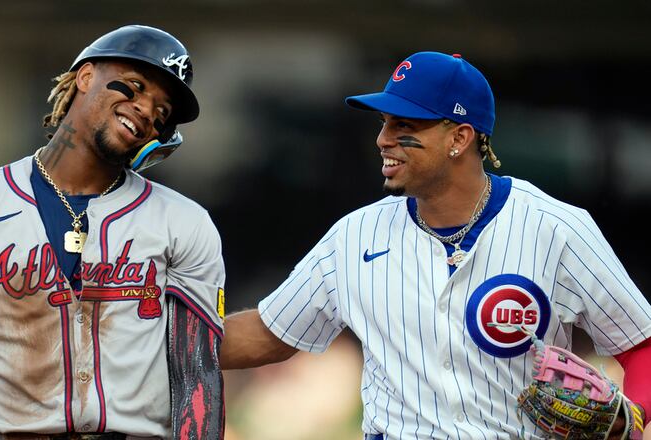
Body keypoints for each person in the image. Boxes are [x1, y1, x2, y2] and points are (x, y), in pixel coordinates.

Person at [220, 51, 651, 439]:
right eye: (384, 123)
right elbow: (268, 333)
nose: (383, 139)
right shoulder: (352, 236)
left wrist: (633, 415)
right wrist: (158, 339)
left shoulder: (556, 228)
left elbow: (641, 344)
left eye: (403, 125)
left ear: (459, 139)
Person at [0, 25, 226, 440]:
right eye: (135, 87)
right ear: (85, 77)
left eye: (161, 111)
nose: (145, 110)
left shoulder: (184, 223)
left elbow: (198, 379)